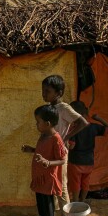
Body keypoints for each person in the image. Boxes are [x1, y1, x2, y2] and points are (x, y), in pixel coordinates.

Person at [41, 75, 88, 208]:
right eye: (43, 90)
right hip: (49, 150)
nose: (44, 94)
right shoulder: (48, 108)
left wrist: (65, 137)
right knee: (51, 184)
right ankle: (53, 215)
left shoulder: (64, 108)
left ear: (59, 93)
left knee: (61, 186)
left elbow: (83, 123)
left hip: (59, 151)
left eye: (47, 91)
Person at [21, 104, 67, 216]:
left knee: (47, 208)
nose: (36, 125)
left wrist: (48, 162)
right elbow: (44, 152)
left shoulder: (56, 139)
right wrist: (32, 150)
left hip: (48, 180)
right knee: (41, 207)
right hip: (40, 179)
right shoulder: (43, 135)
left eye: (38, 122)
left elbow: (62, 159)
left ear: (47, 123)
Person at [68, 101, 108, 202]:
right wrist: (98, 118)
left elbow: (71, 146)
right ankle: (82, 201)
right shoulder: (93, 127)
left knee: (75, 183)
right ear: (86, 112)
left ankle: (75, 202)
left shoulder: (74, 129)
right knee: (85, 183)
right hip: (89, 161)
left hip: (75, 161)